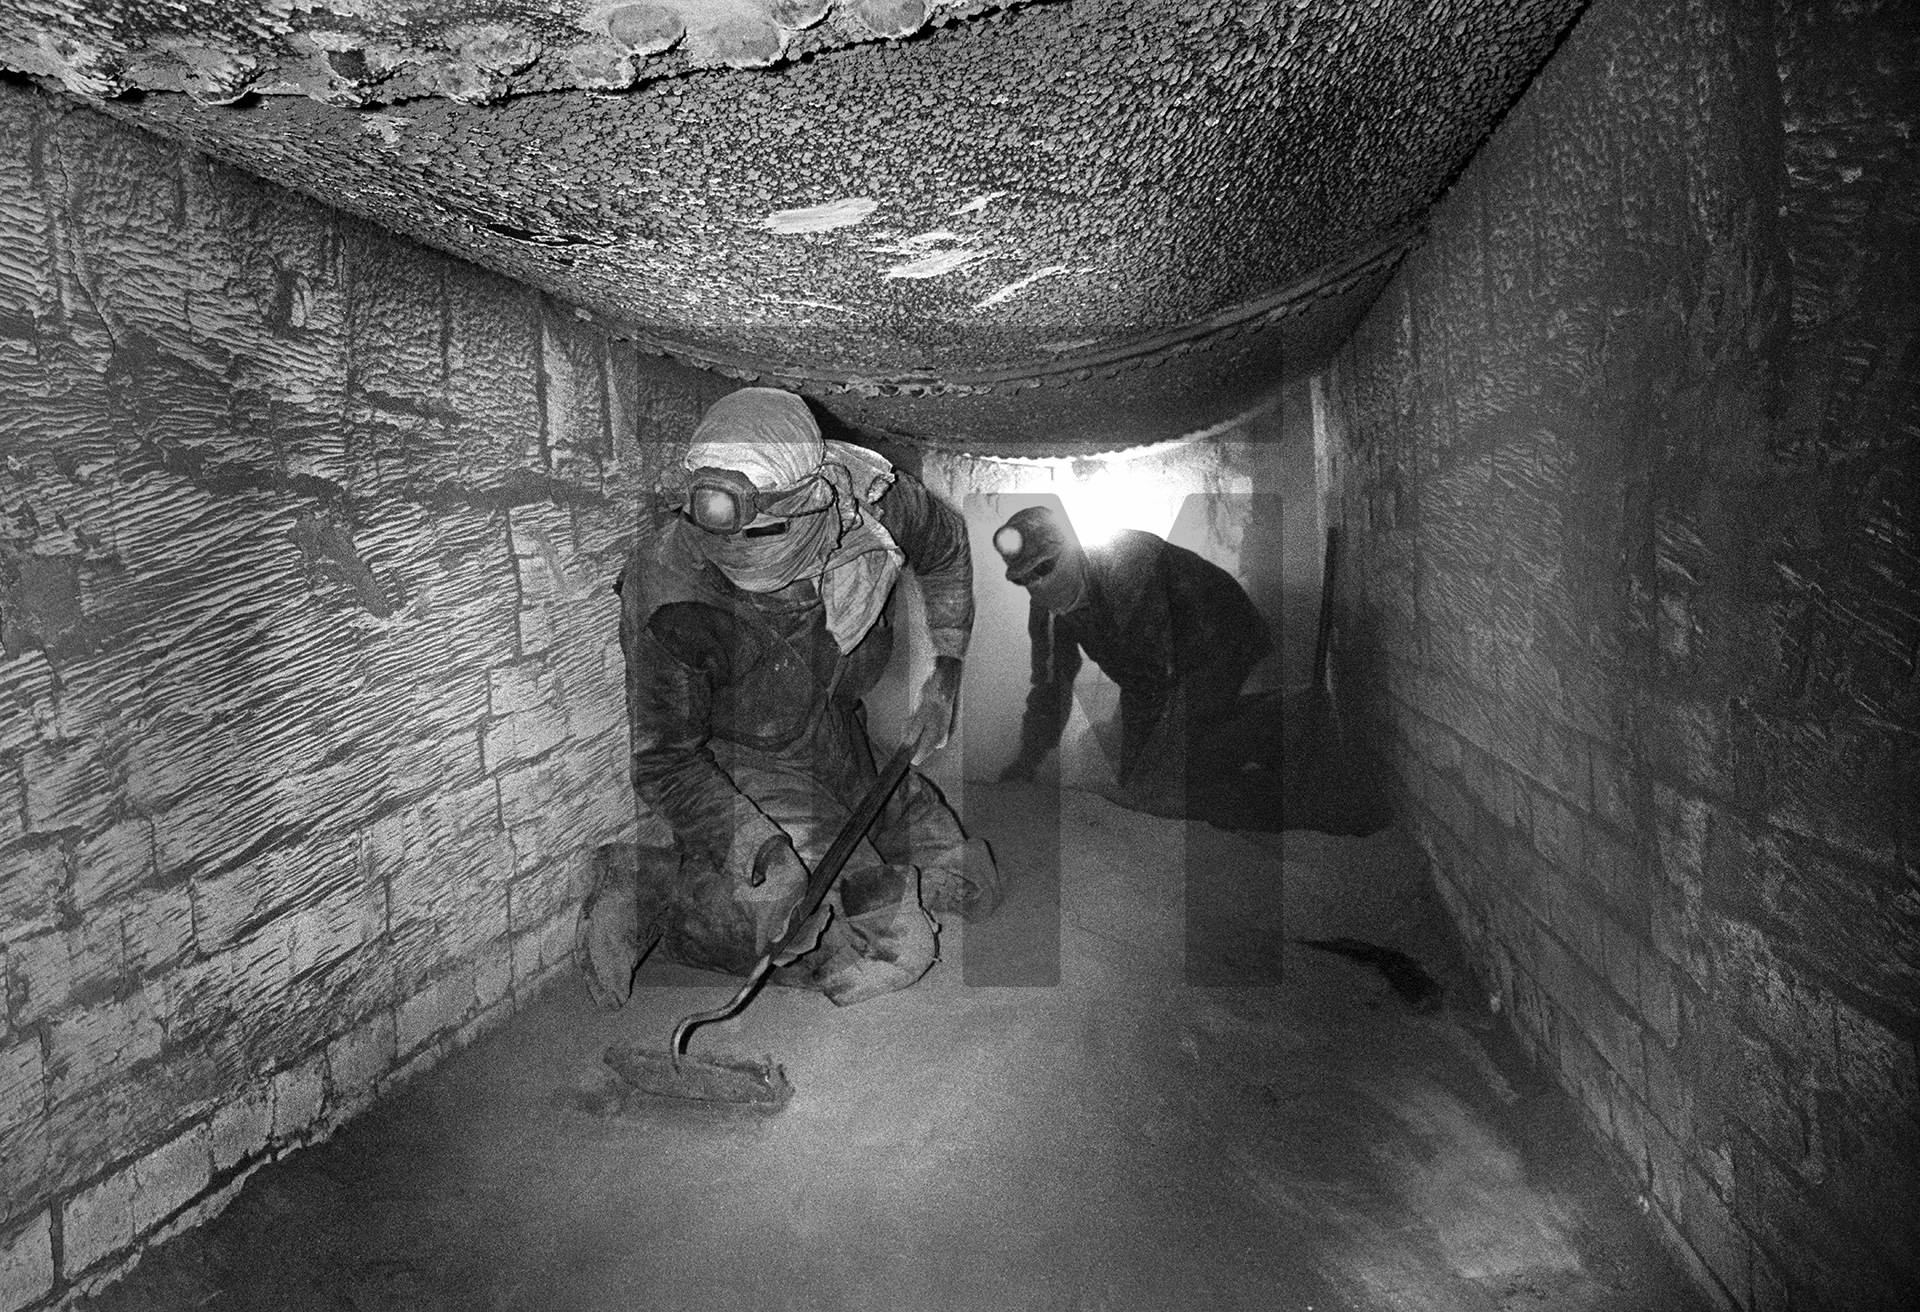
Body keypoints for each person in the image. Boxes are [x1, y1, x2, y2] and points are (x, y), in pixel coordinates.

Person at [578, 388, 1000, 1010]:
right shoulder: (666, 583)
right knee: (830, 920)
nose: (740, 567)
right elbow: (665, 761)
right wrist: (756, 846)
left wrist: (947, 668)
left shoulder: (873, 504)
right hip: (743, 759)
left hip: (832, 730)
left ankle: (714, 878)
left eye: (765, 541)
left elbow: (945, 549)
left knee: (965, 879)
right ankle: (653, 894)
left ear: (816, 498)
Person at [992, 504, 1274, 818]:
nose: (1036, 584)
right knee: (1134, 764)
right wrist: (1028, 760)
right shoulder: (1046, 611)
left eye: (1044, 568)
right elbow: (1050, 685)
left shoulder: (1126, 563)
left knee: (1177, 771)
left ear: (1071, 548)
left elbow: (1155, 677)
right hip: (1154, 671)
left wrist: (1144, 770)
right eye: (1023, 579)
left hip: (1219, 639)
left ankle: (1278, 725)